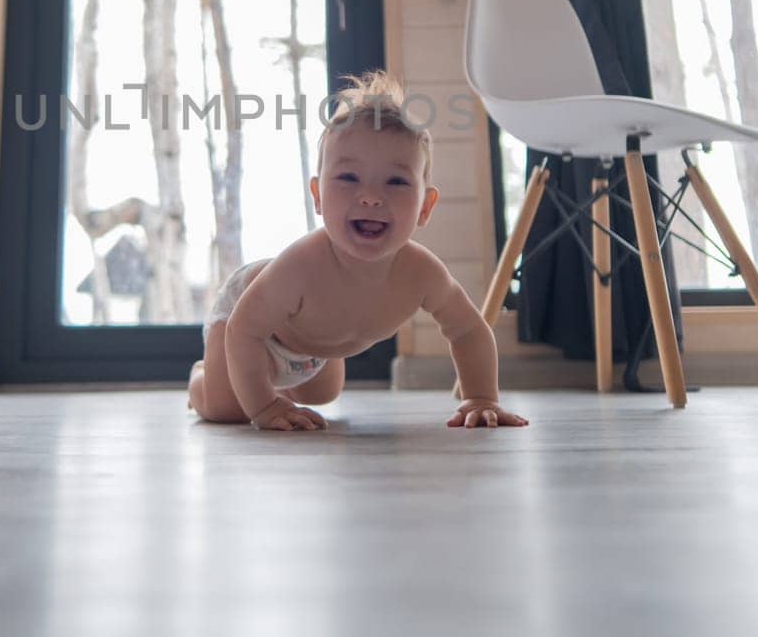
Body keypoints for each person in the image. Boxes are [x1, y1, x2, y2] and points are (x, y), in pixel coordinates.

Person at [187, 71, 528, 432]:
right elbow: (244, 330)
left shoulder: (422, 273)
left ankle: (283, 376)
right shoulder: (300, 266)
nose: (370, 196)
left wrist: (481, 398)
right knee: (229, 408)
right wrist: (265, 408)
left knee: (323, 394)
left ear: (425, 206)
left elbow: (467, 331)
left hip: (315, 349)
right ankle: (201, 379)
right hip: (251, 328)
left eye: (396, 181)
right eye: (348, 178)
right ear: (317, 196)